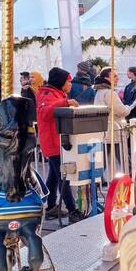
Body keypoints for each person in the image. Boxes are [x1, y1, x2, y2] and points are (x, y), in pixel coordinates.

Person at [35, 67, 81, 221]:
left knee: (55, 176)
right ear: (61, 82)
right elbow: (45, 113)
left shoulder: (56, 93)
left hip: (58, 140)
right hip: (52, 142)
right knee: (63, 176)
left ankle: (51, 205)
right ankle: (72, 210)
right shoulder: (47, 94)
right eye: (68, 81)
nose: (71, 85)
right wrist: (65, 102)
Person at [94, 69, 132, 174]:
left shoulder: (99, 91)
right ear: (107, 78)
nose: (117, 78)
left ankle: (97, 183)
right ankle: (129, 181)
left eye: (117, 75)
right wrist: (129, 107)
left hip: (105, 131)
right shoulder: (109, 93)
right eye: (114, 76)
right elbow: (122, 111)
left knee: (102, 162)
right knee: (124, 160)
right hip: (114, 131)